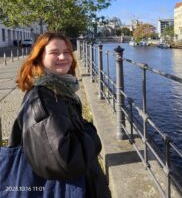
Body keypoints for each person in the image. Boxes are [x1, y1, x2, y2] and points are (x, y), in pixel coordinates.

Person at [8, 32, 111, 198]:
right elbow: (66, 160)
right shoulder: (44, 98)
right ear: (39, 58)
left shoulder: (60, 89)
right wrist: (91, 133)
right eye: (54, 53)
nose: (63, 57)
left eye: (67, 51)